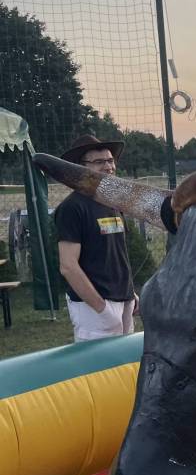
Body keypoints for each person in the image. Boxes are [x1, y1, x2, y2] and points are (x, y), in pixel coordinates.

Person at [54, 134, 137, 342]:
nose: (108, 167)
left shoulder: (113, 202)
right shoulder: (72, 208)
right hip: (94, 309)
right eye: (99, 162)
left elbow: (116, 253)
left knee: (125, 361)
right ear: (79, 168)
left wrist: (130, 293)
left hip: (124, 301)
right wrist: (101, 308)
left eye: (110, 160)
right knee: (98, 362)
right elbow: (68, 266)